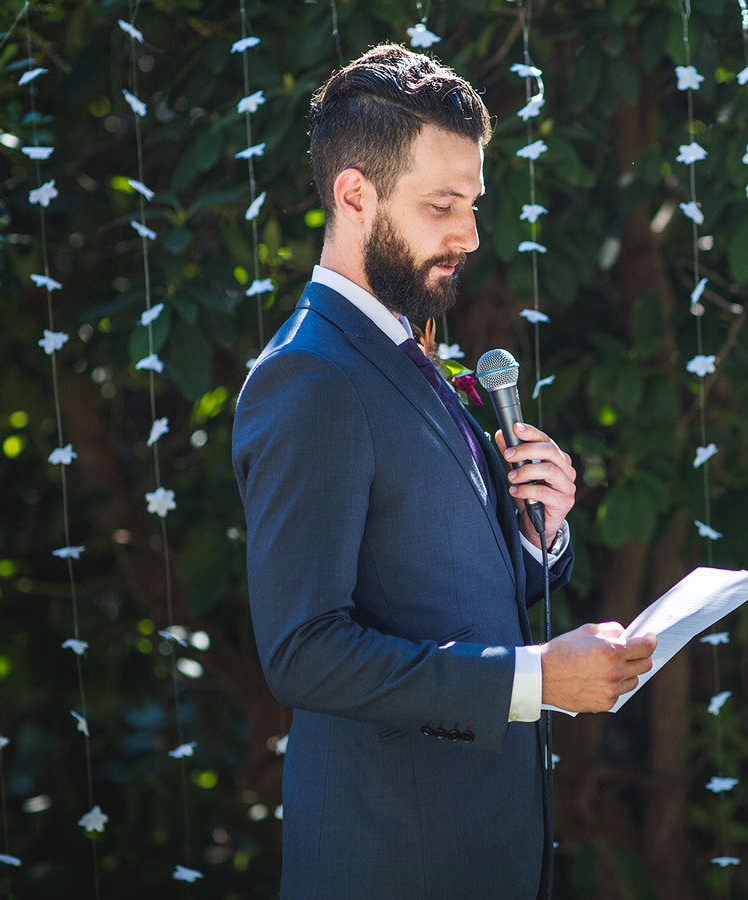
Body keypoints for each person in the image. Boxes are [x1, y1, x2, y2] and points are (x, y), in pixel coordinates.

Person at [232, 44, 656, 900]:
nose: (468, 234)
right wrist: (535, 678)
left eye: (472, 204)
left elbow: (442, 573)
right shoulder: (310, 375)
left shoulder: (402, 349)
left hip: (480, 844)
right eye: (442, 206)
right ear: (355, 194)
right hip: (393, 856)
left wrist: (539, 530)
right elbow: (304, 653)